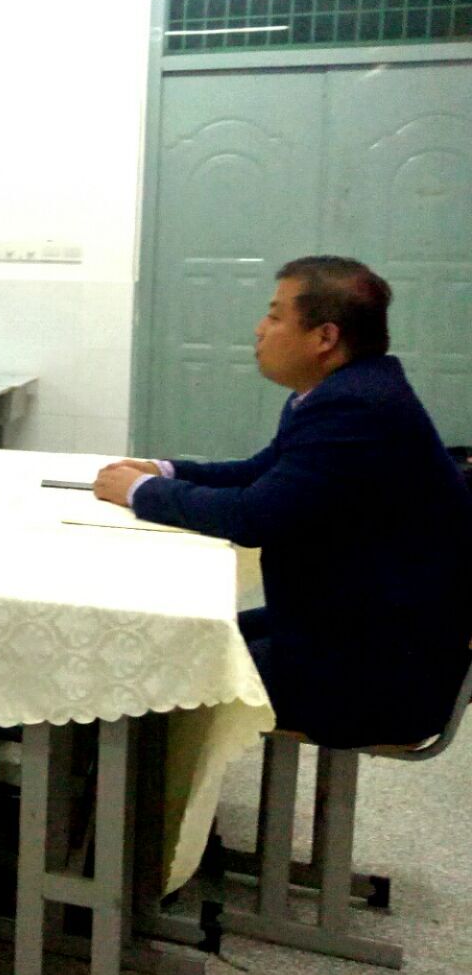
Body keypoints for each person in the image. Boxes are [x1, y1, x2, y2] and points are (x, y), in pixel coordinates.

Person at [96, 257, 472, 750]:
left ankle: (114, 794)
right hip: (346, 626)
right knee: (173, 640)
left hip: (379, 674)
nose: (260, 329)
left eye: (275, 316)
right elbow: (261, 471)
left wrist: (139, 492)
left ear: (324, 337)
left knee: (154, 670)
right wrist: (162, 471)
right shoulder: (346, 389)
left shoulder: (355, 407)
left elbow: (252, 516)